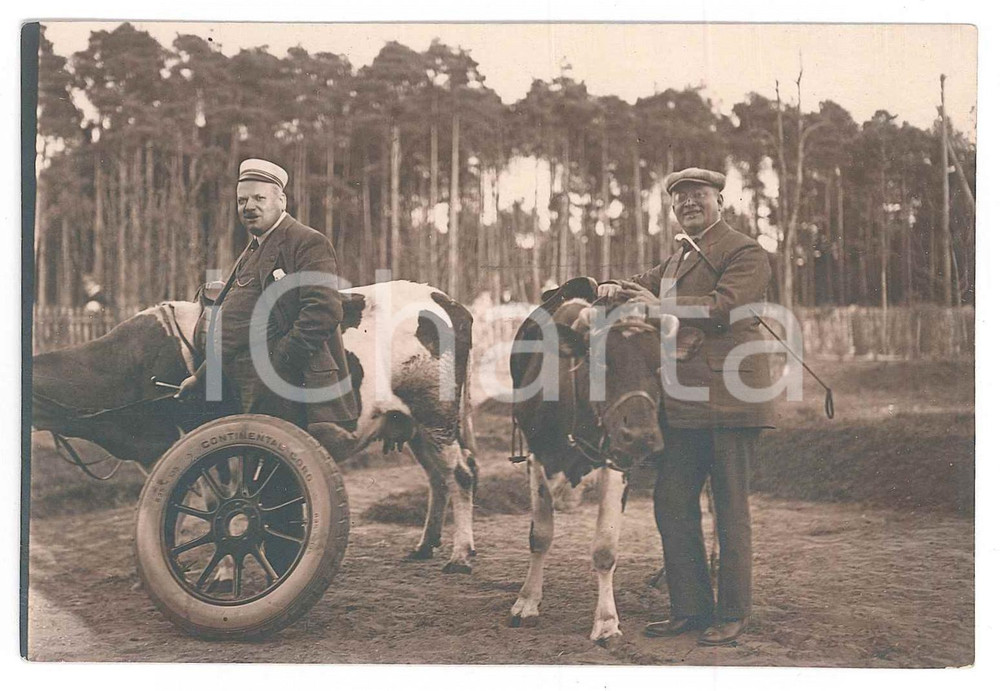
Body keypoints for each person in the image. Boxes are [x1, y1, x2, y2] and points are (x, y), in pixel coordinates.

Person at [597, 167, 774, 646]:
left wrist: (658, 308)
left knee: (729, 507)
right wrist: (612, 285)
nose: (688, 205)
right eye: (680, 200)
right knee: (673, 500)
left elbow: (727, 306)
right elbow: (644, 284)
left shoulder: (744, 251)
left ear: (720, 201)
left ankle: (732, 613)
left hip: (732, 398)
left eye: (698, 196)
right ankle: (691, 609)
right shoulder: (678, 258)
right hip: (685, 403)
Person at [177, 158, 359, 459]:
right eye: (242, 200)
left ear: (281, 200)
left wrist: (277, 361)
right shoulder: (252, 250)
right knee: (260, 476)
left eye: (259, 198)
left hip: (288, 385)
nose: (249, 206)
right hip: (251, 389)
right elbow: (235, 327)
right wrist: (201, 377)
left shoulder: (307, 242)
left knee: (278, 480)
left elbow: (323, 311)